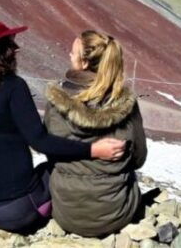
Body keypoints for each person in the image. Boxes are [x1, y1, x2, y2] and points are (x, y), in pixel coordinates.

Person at [0, 20, 126, 234]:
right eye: (10, 43)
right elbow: (40, 141)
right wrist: (93, 150)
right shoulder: (13, 87)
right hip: (14, 211)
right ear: (1, 51)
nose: (16, 49)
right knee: (51, 171)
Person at [43, 30, 147, 238]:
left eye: (73, 53)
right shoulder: (125, 104)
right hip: (116, 214)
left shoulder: (56, 101)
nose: (70, 56)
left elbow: (51, 151)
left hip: (66, 214)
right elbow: (138, 158)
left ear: (83, 64)